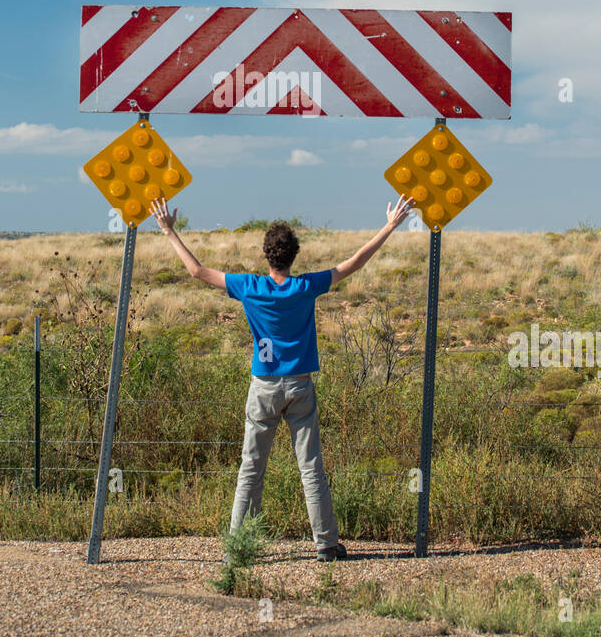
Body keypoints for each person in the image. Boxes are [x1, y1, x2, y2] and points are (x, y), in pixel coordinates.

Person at [148, 195, 414, 561]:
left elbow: (197, 271)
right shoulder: (305, 287)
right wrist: (389, 225)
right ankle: (326, 545)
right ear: (294, 255)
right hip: (300, 385)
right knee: (311, 469)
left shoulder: (249, 287)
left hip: (263, 387)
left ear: (267, 255)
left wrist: (168, 230)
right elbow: (353, 264)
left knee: (251, 468)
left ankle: (238, 548)